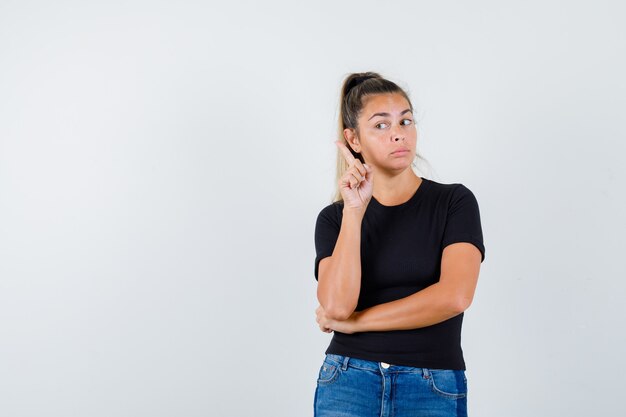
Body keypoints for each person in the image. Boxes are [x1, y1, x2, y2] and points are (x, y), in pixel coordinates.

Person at [313, 72, 485, 417]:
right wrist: (354, 211)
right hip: (348, 379)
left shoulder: (453, 202)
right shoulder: (334, 218)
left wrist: (358, 323)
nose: (398, 133)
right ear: (353, 139)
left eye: (405, 121)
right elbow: (335, 307)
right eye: (380, 125)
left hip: (430, 382)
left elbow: (455, 297)